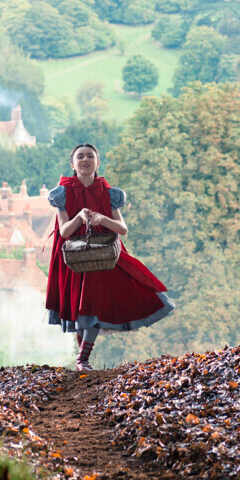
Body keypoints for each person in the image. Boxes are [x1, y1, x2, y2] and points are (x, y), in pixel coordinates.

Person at [45, 143, 174, 371]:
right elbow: (64, 232)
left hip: (104, 258)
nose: (85, 160)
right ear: (72, 164)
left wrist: (101, 219)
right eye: (80, 157)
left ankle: (82, 359)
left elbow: (122, 228)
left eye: (90, 156)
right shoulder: (62, 194)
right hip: (75, 260)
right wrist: (79, 217)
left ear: (98, 162)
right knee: (79, 311)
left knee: (91, 308)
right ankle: (82, 360)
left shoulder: (109, 193)